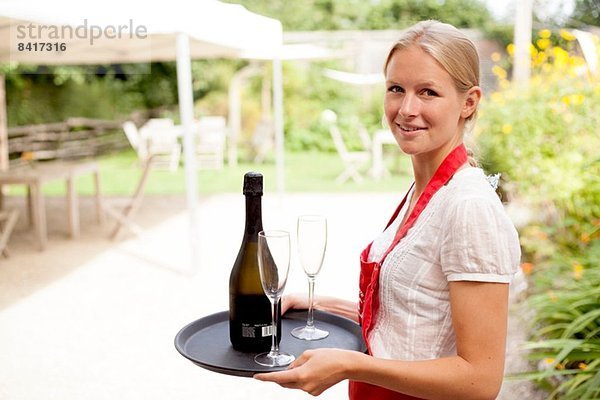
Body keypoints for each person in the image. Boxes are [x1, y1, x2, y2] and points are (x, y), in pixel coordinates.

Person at [254, 20, 521, 400]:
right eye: (396, 89)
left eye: (428, 92)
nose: (406, 109)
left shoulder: (469, 208)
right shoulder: (426, 191)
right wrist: (316, 305)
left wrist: (349, 364)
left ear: (469, 102)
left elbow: (479, 380)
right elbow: (410, 321)